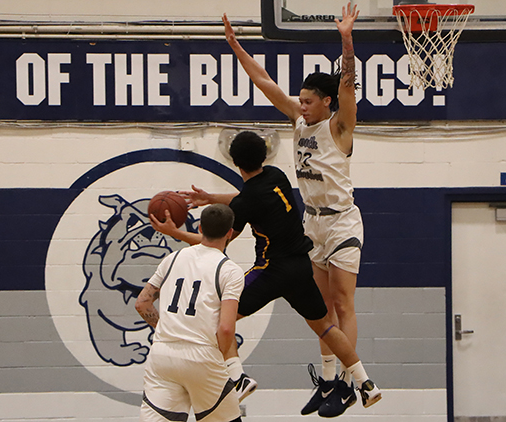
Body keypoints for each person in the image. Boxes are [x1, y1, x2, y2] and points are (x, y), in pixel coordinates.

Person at [150, 131, 382, 417]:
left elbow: (218, 241)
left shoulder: (245, 202)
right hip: (300, 266)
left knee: (218, 320)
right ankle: (365, 383)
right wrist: (211, 197)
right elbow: (247, 196)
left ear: (236, 163)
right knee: (324, 326)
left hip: (271, 269)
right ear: (264, 155)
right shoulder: (276, 176)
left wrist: (174, 233)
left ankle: (238, 376)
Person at [223, 2, 365, 414]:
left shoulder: (340, 126)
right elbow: (264, 81)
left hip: (341, 223)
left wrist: (346, 40)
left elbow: (348, 86)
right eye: (299, 100)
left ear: (325, 102)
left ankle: (345, 382)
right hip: (311, 223)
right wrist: (236, 47)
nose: (300, 105)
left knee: (342, 303)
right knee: (319, 309)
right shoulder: (299, 122)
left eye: (307, 101)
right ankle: (325, 380)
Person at [135, 203, 245, 422]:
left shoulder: (172, 259)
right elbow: (225, 328)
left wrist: (165, 330)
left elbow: (142, 303)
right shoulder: (229, 270)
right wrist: (221, 358)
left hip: (163, 355)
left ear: (200, 228)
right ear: (230, 233)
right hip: (202, 356)